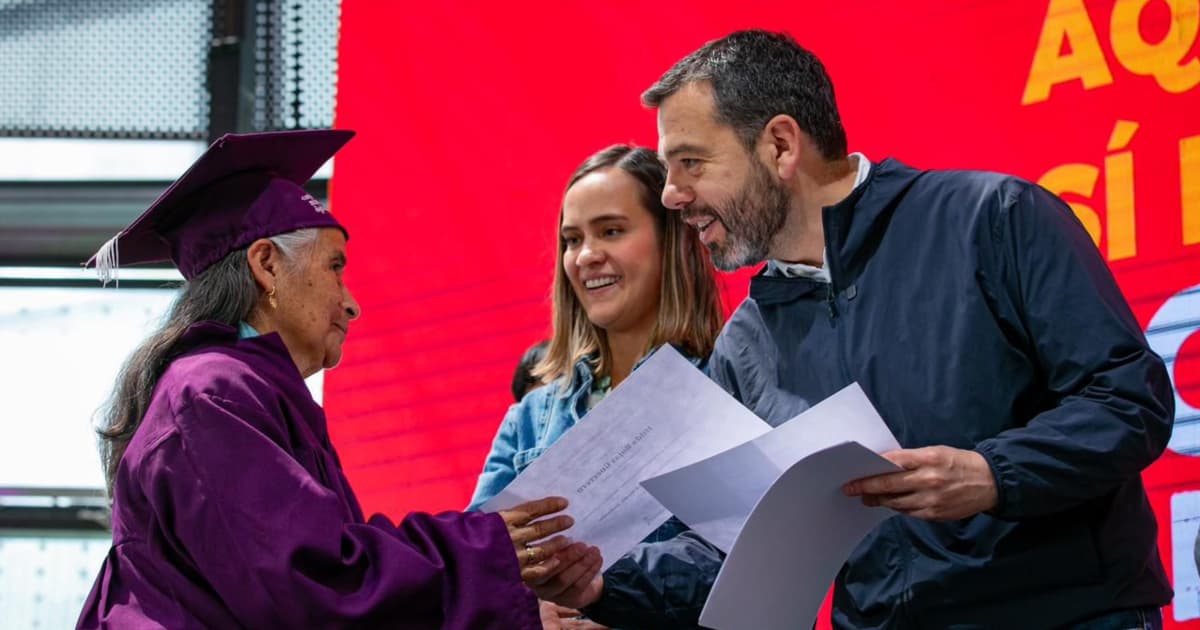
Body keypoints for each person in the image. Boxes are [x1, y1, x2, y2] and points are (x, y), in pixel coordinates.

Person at [567, 30, 1176, 629]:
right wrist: (603, 580)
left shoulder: (994, 220)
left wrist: (993, 474)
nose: (673, 195)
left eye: (691, 163)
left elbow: (1127, 400)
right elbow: (733, 550)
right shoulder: (744, 342)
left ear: (781, 145)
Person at [76, 130, 590, 629]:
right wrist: (484, 549)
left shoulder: (236, 390)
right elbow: (315, 588)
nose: (350, 302)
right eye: (335, 267)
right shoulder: (213, 393)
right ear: (267, 265)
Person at [467, 145, 725, 626]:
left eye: (611, 231)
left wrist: (605, 592)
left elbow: (743, 559)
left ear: (673, 240)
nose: (586, 256)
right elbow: (478, 569)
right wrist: (534, 613)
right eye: (571, 239)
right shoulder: (530, 417)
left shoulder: (727, 388)